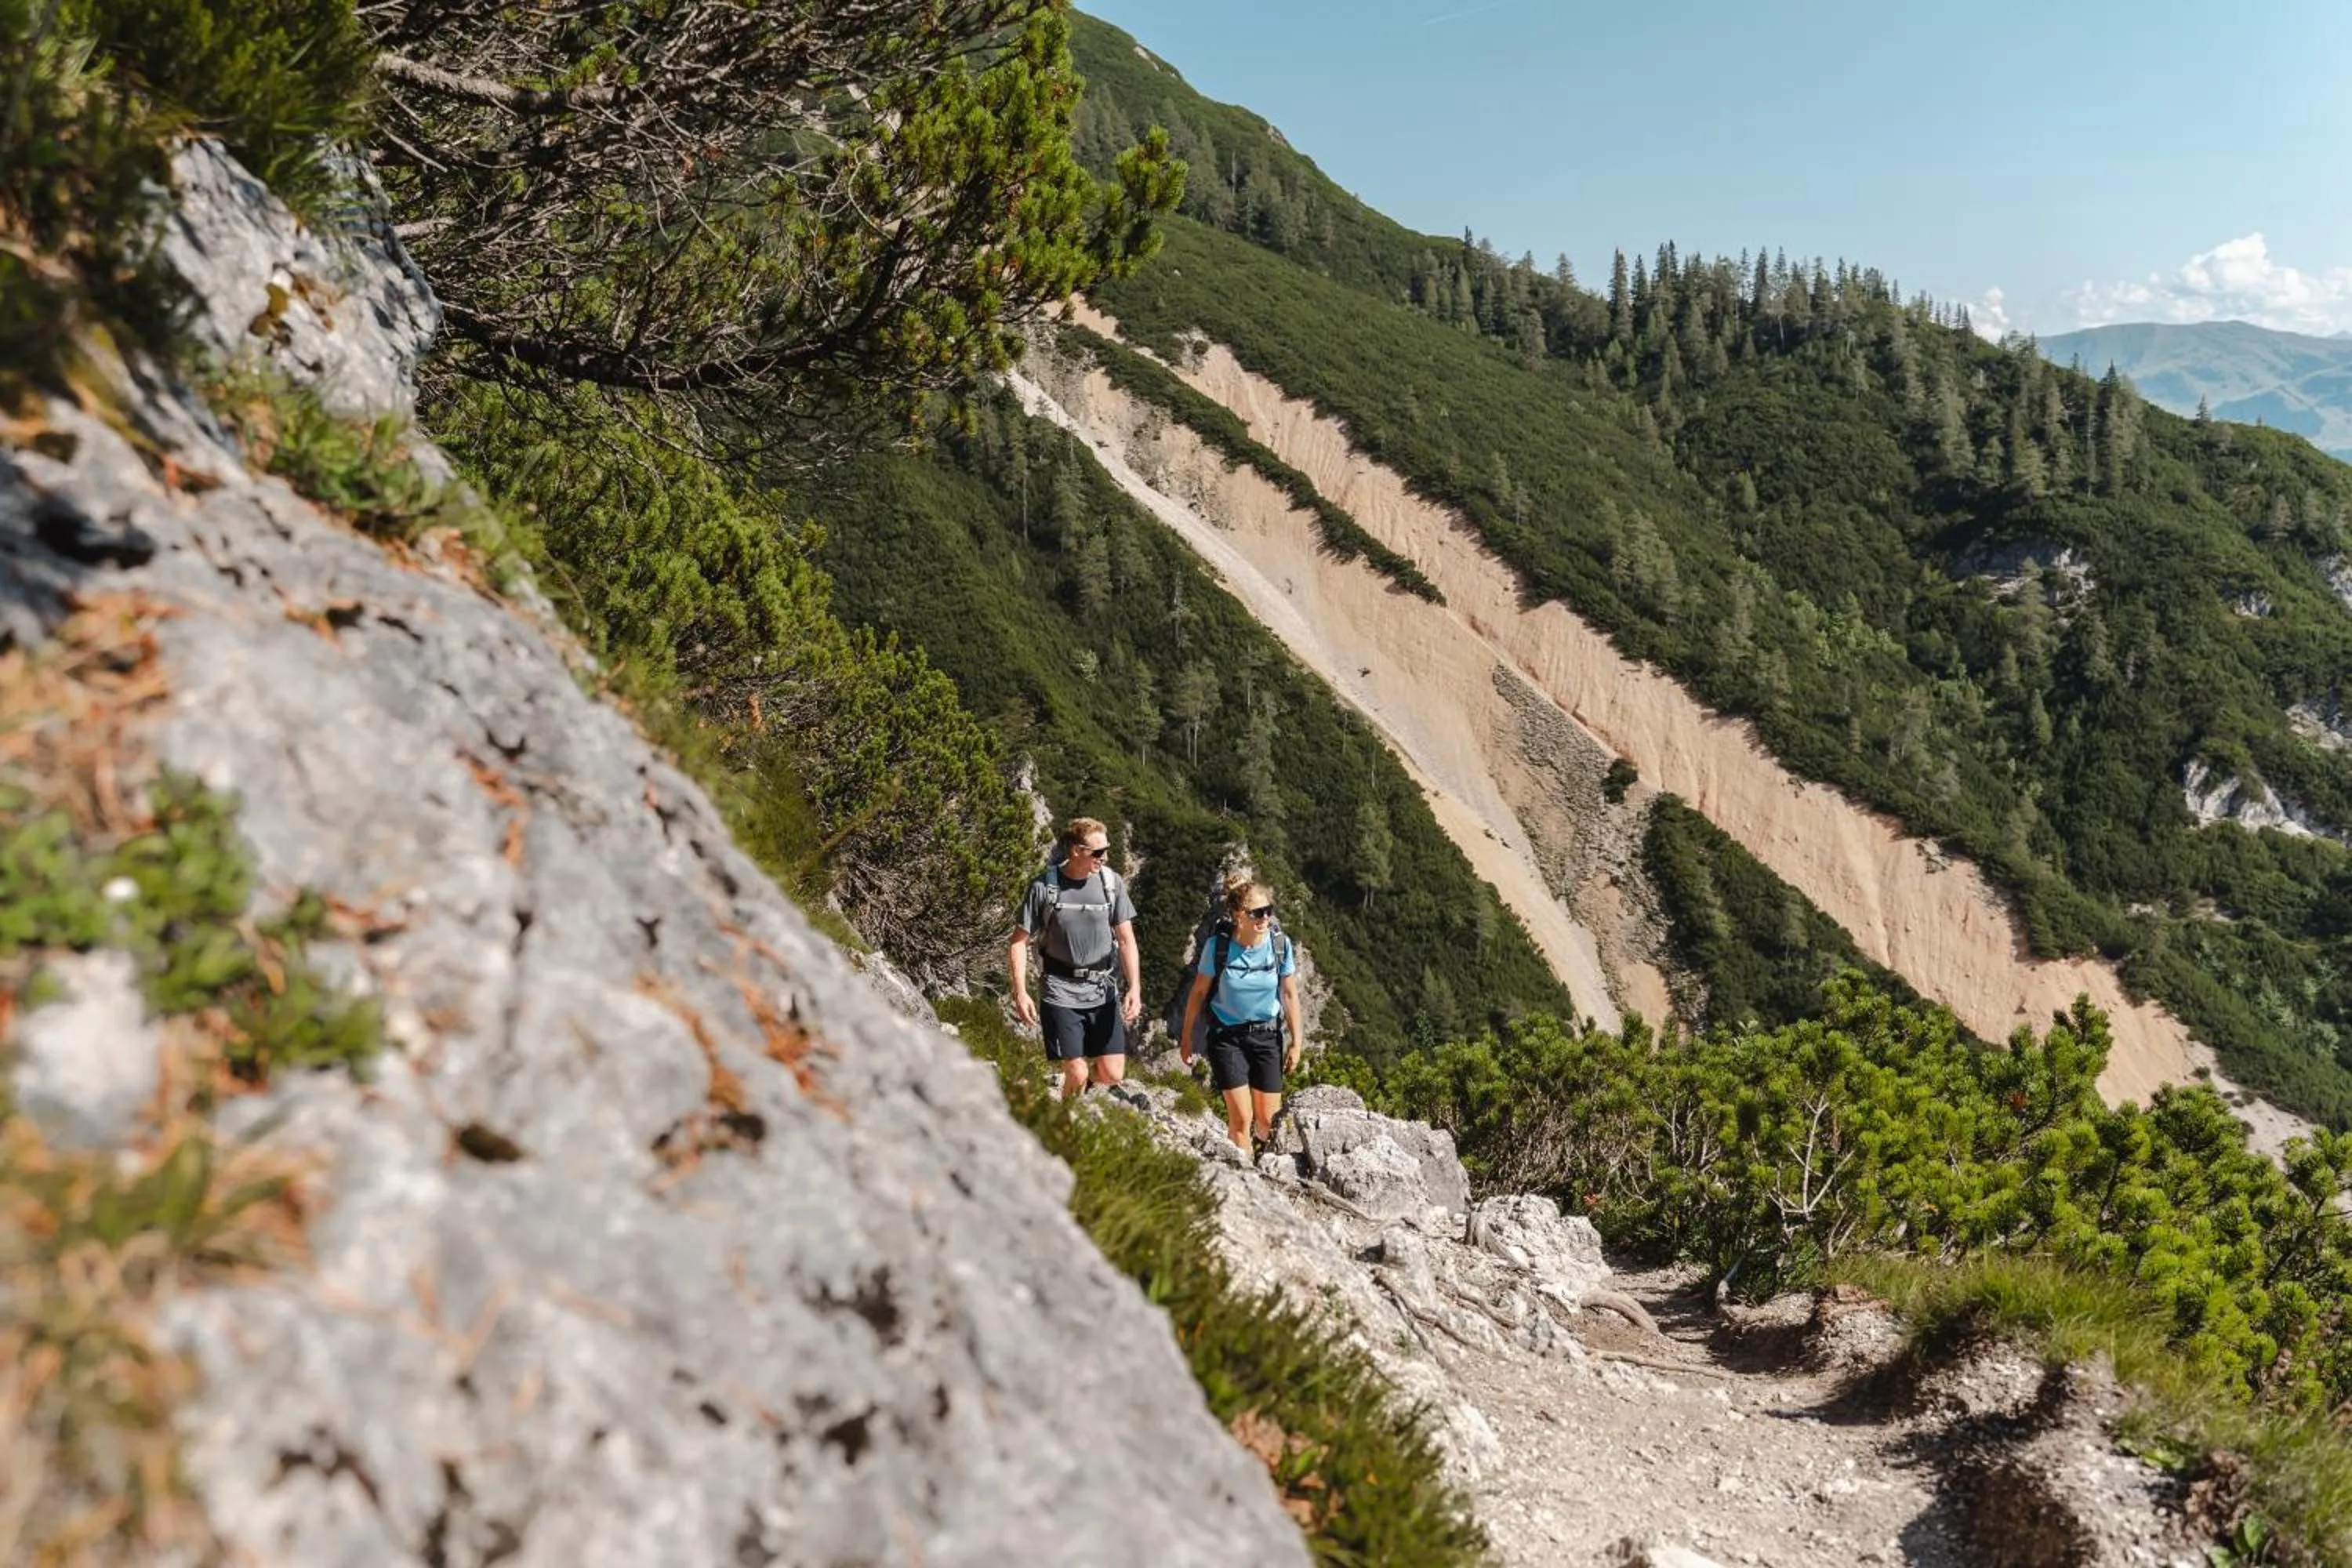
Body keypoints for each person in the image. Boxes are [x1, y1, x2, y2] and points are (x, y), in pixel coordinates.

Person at [1009, 817, 1142, 1098]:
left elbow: (1127, 939)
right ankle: (1065, 1126)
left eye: (1107, 850)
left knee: (1113, 1073)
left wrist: (1134, 988)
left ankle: (1083, 1087)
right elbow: (1018, 942)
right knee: (1077, 1071)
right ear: (1075, 850)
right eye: (1097, 852)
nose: (1104, 858)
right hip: (1060, 991)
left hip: (1102, 991)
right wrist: (1020, 993)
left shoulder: (1111, 884)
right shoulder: (1044, 887)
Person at [1178, 873, 1302, 1155]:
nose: (1264, 918)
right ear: (1237, 915)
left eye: (1268, 911)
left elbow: (1290, 994)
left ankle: (1264, 1166)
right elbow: (1197, 994)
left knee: (1268, 1123)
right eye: (1257, 913)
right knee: (1241, 1119)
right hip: (1227, 1038)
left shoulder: (1280, 946)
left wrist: (1297, 1041)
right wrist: (1186, 1038)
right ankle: (1246, 1180)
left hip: (1267, 1037)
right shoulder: (1218, 947)